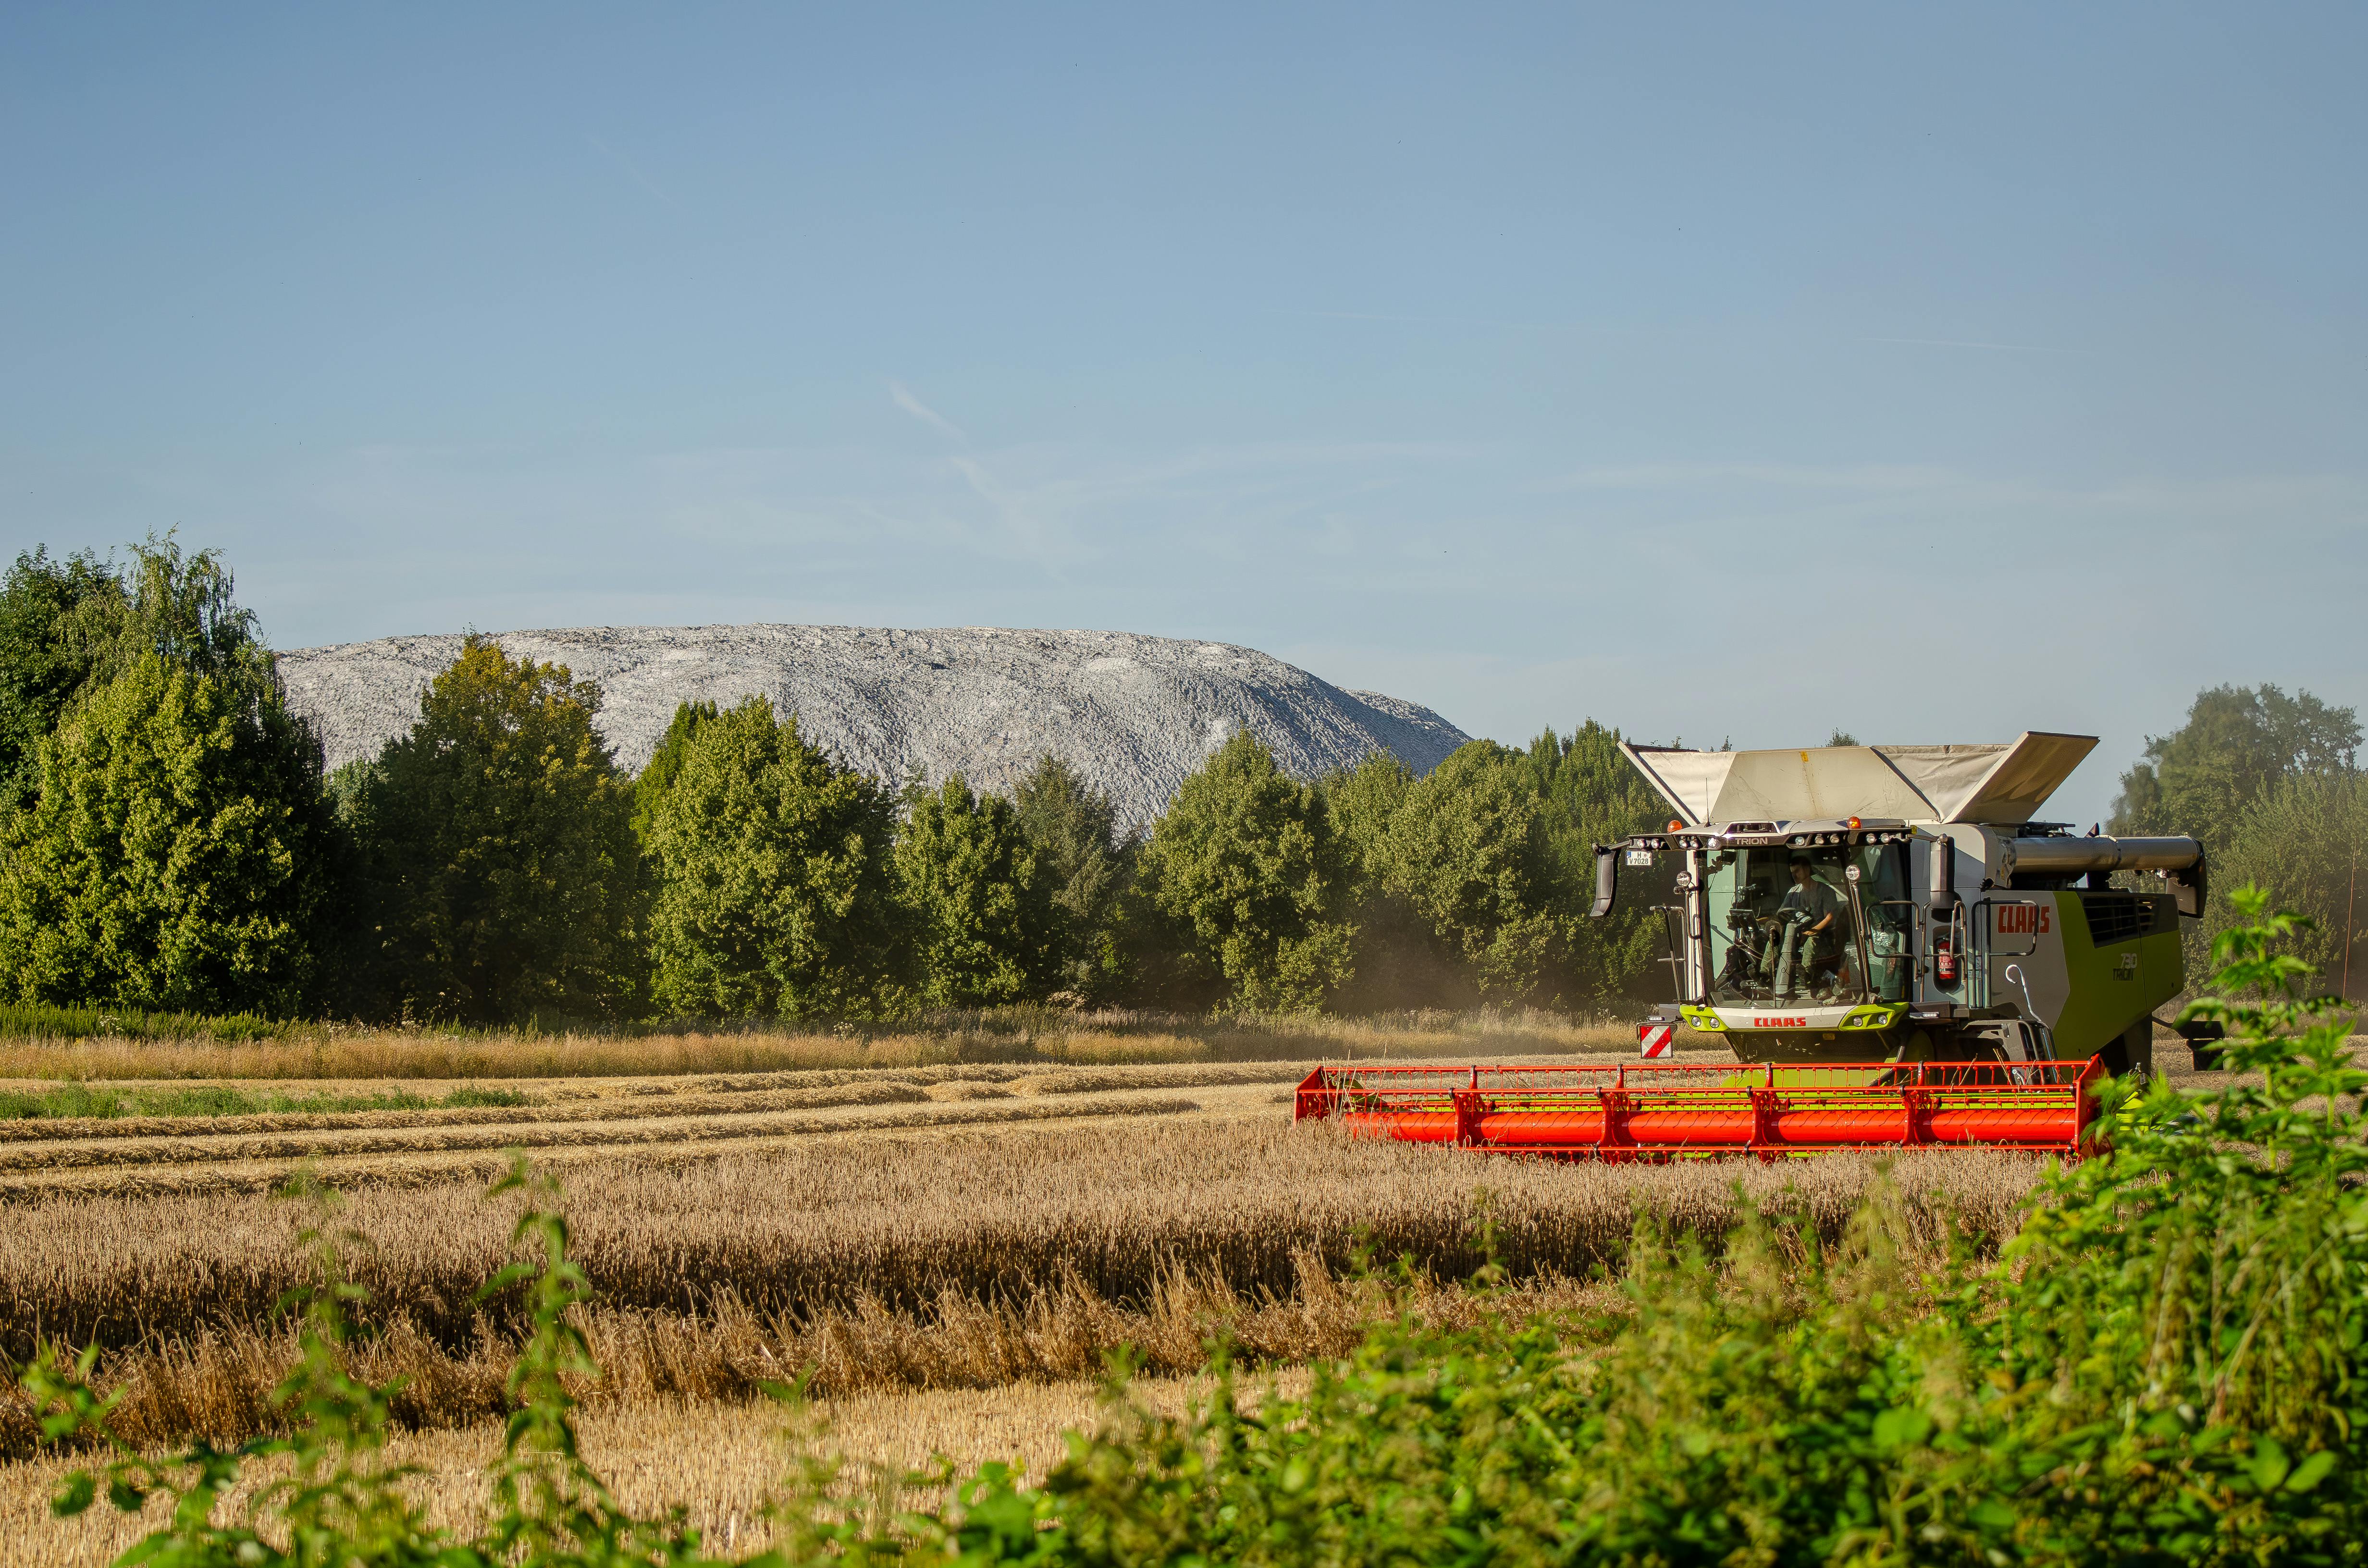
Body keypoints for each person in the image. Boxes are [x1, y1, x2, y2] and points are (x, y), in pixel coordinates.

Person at [1763, 856, 1845, 996]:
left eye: (1797, 871)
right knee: (1774, 939)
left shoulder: (1825, 891)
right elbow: (1782, 915)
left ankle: (1806, 975)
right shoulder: (1793, 892)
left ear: (1807, 870)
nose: (1794, 875)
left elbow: (1830, 918)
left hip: (1821, 934)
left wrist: (1809, 933)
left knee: (1811, 942)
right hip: (1795, 932)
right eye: (1792, 872)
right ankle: (1764, 974)